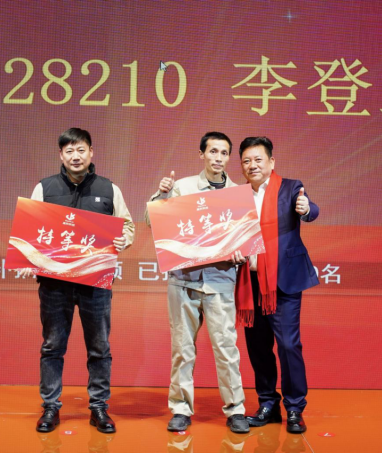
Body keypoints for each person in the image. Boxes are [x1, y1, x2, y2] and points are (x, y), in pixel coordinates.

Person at [28, 128, 135, 434]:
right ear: (61, 155)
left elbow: (127, 226)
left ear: (91, 152)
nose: (76, 156)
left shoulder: (108, 188)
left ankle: (99, 407)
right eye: (69, 151)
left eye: (81, 150)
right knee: (52, 346)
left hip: (95, 282)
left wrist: (122, 240)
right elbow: (31, 229)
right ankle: (50, 407)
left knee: (99, 347)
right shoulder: (44, 188)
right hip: (54, 284)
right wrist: (29, 257)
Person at [145, 132, 250, 434]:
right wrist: (161, 195)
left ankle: (235, 409)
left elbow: (244, 241)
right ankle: (180, 408)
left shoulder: (237, 194)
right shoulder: (182, 187)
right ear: (201, 154)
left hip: (220, 281)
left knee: (226, 349)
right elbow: (153, 221)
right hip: (184, 281)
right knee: (182, 349)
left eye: (224, 153)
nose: (218, 158)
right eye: (213, 151)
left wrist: (241, 254)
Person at [235, 136, 319, 434]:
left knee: (288, 345)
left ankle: (294, 408)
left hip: (284, 282)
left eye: (258, 159)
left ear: (271, 162)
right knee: (258, 347)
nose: (252, 165)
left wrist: (306, 209)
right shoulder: (237, 196)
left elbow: (311, 210)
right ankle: (268, 404)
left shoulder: (291, 188)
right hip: (250, 282)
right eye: (246, 161)